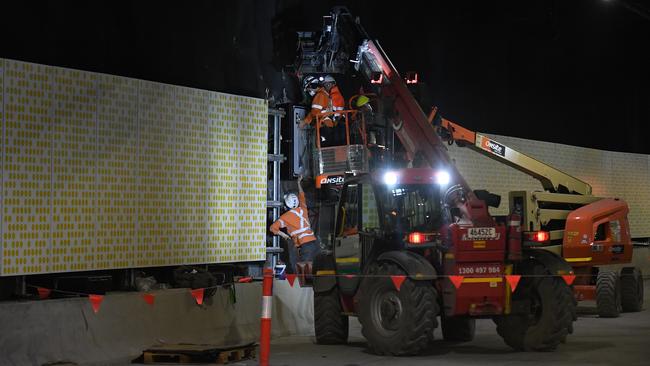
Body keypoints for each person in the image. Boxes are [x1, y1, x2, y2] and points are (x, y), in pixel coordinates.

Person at [269, 176, 321, 264]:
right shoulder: (302, 208)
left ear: (286, 205)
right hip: (315, 243)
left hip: (305, 246)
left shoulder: (285, 217)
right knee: (316, 270)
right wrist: (298, 182)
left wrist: (283, 235)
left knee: (304, 271)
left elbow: (272, 228)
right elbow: (302, 195)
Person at [300, 75, 346, 147]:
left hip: (324, 126)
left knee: (321, 148)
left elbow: (315, 112)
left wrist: (304, 121)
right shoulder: (326, 94)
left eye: (308, 89)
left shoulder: (320, 95)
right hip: (328, 125)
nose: (309, 91)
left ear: (313, 86)